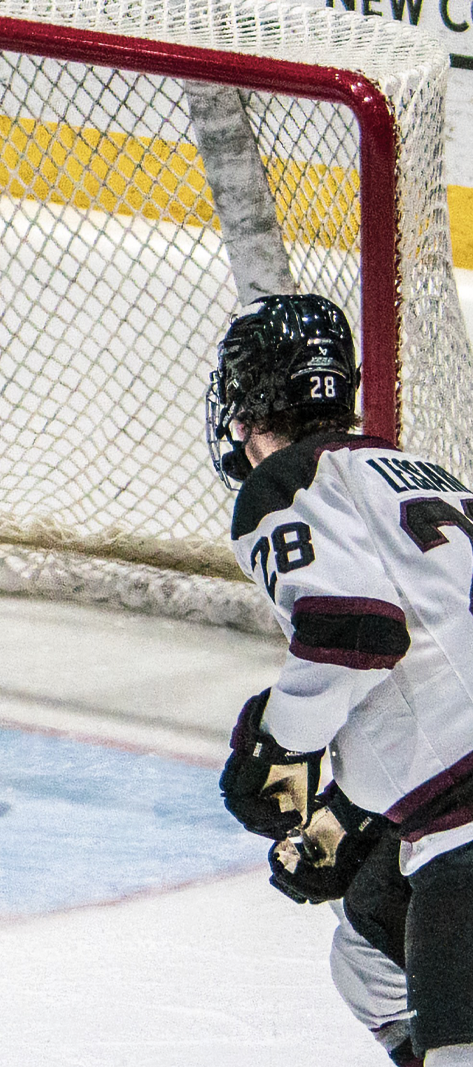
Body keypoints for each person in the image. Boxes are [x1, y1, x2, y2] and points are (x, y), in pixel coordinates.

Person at [209, 294, 473, 1067]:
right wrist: (353, 811)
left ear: (251, 403)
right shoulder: (422, 473)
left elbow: (355, 631)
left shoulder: (288, 480)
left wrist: (278, 747)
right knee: (363, 953)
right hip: (445, 814)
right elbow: (436, 661)